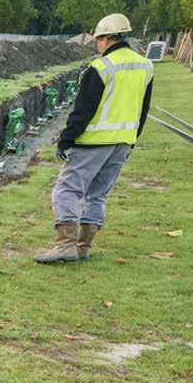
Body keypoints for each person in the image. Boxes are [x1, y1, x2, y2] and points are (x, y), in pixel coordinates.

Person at [35, 13, 153, 264]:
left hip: (93, 142)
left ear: (108, 38)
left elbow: (83, 110)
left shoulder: (101, 67)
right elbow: (143, 109)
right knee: (97, 195)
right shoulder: (145, 66)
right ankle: (83, 247)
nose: (97, 45)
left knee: (65, 190)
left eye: (98, 40)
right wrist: (131, 139)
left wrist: (66, 139)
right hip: (123, 142)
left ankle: (65, 244)